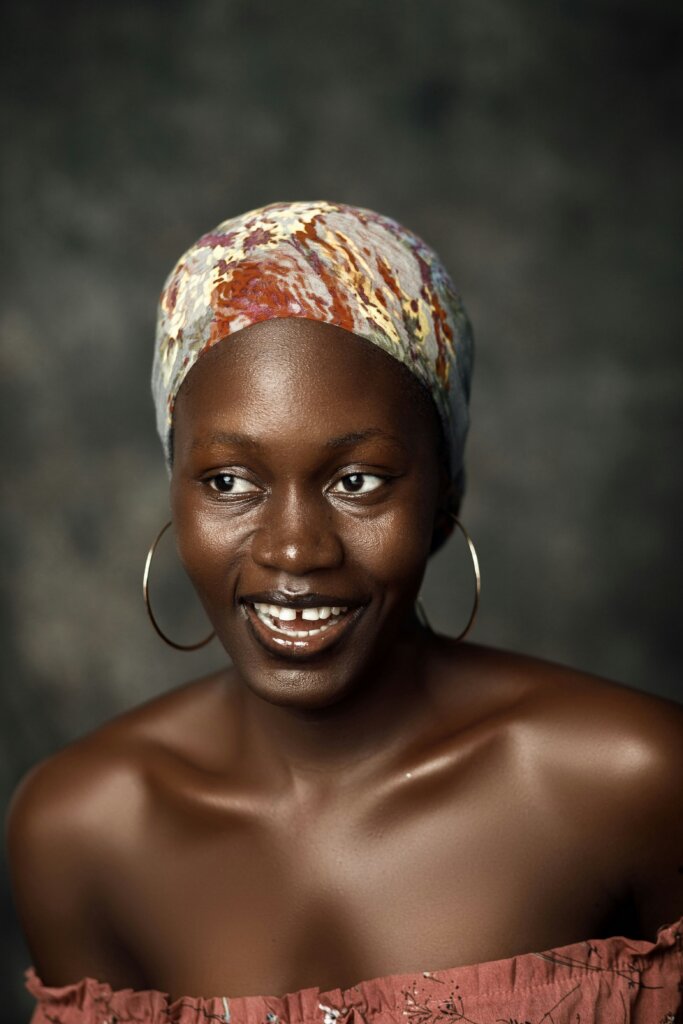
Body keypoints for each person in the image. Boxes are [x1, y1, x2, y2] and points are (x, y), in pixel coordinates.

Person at [6, 200, 682, 1023]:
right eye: (228, 481)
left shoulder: (627, 780)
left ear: (444, 496)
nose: (294, 551)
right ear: (173, 490)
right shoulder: (81, 829)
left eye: (357, 480)